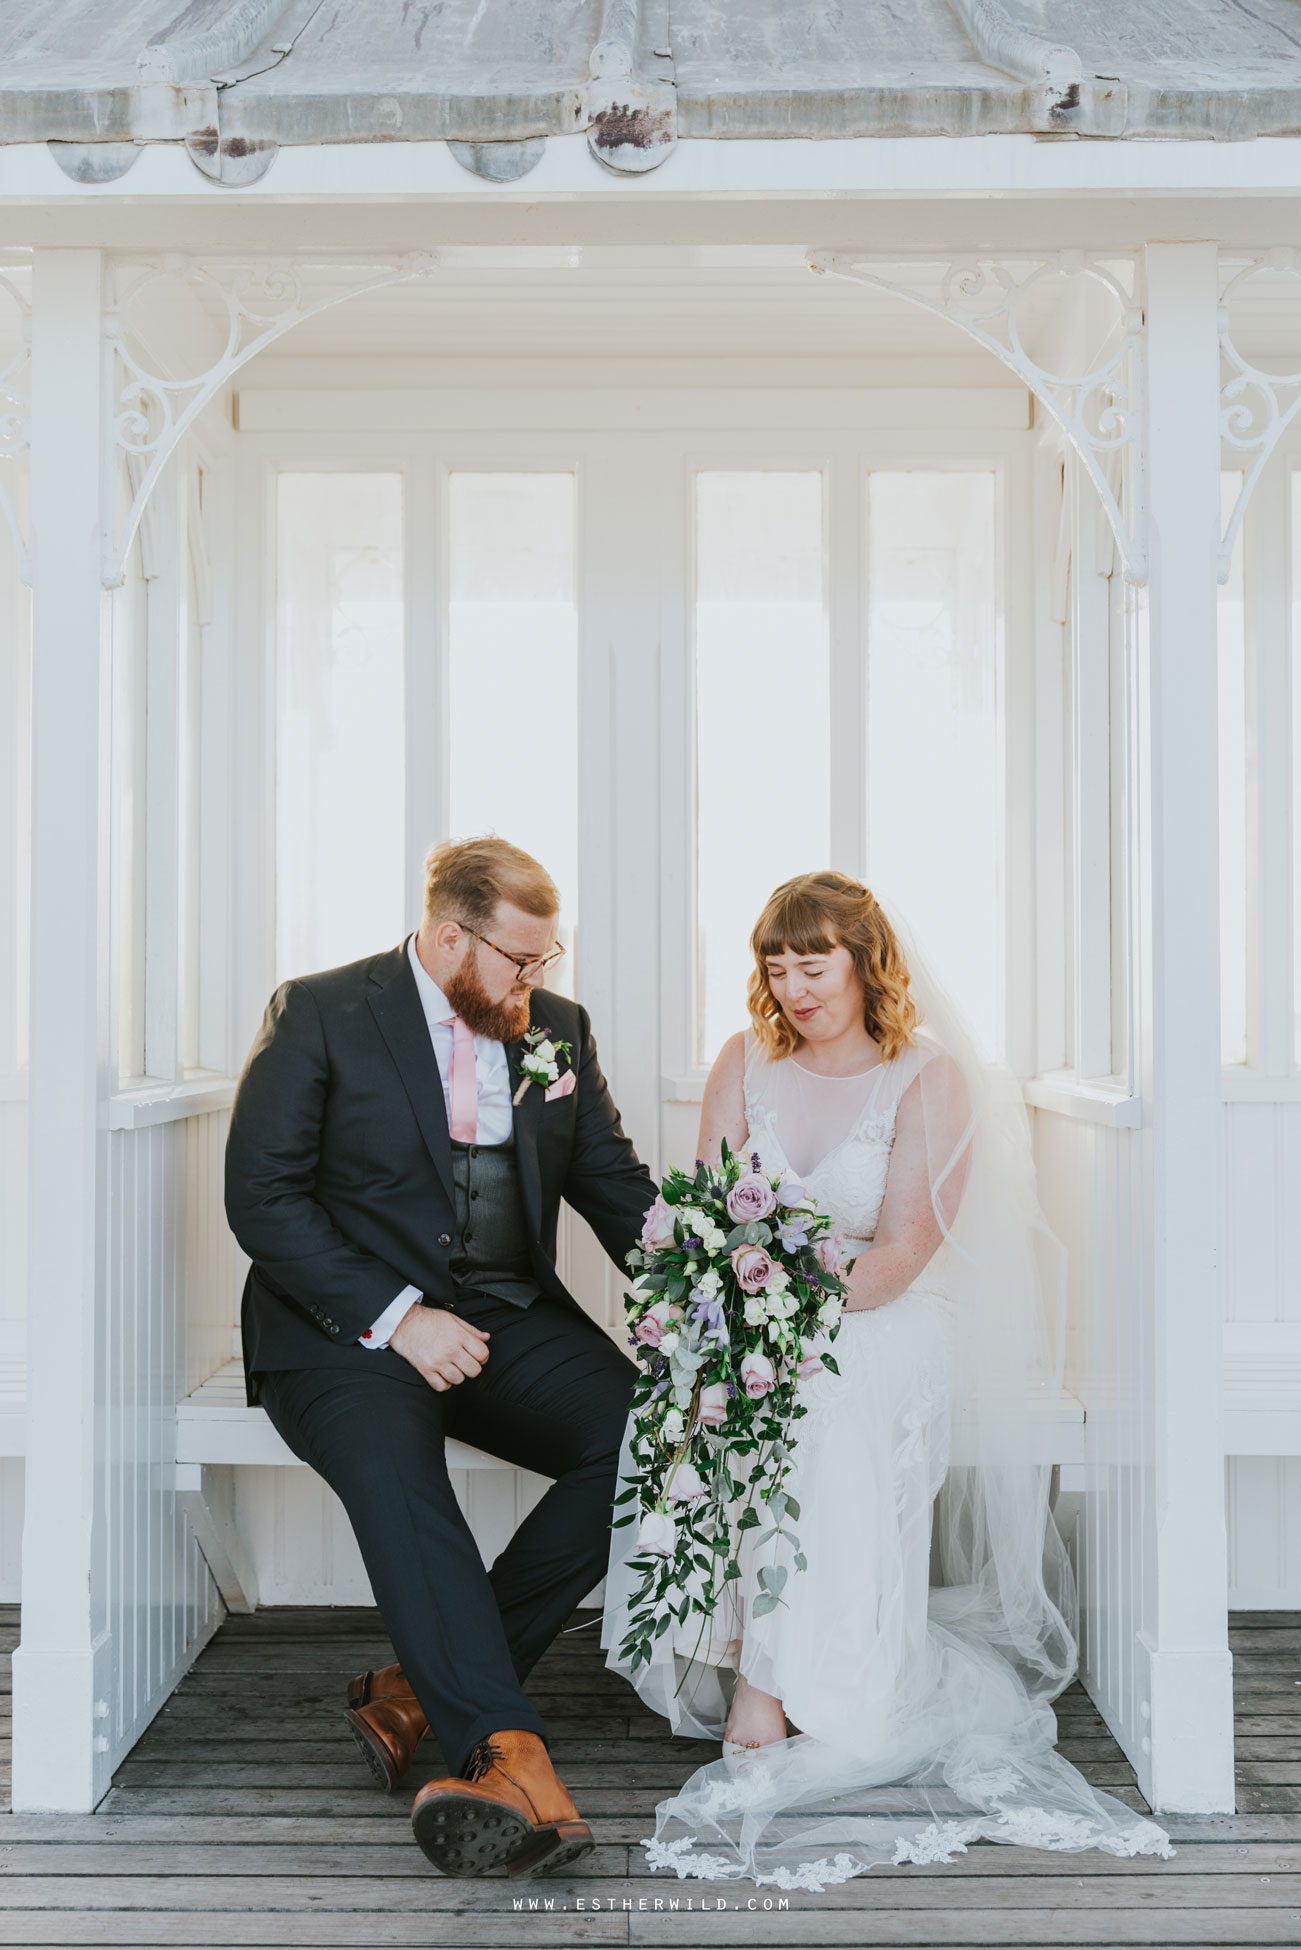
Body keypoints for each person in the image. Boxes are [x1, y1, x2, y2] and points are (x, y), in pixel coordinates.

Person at [602, 870, 1171, 1887]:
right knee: (692, 1391)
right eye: (774, 967)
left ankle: (768, 1688)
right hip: (758, 1300)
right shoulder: (743, 1060)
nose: (792, 988)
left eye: (812, 964)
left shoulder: (924, 1074)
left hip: (886, 1308)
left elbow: (904, 1247)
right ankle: (731, 1642)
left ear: (865, 964)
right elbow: (706, 1215)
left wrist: (790, 1319)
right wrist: (729, 1313)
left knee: (819, 1398)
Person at [225, 835, 655, 1879]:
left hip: (505, 1317)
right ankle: (506, 1757)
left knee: (646, 1437)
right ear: (451, 934)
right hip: (341, 1332)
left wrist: (720, 1288)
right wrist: (395, 1314)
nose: (534, 981)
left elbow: (611, 1184)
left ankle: (424, 1688)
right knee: (397, 1478)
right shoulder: (322, 1010)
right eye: (519, 960)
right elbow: (262, 1199)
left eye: (546, 962)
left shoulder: (555, 1028)